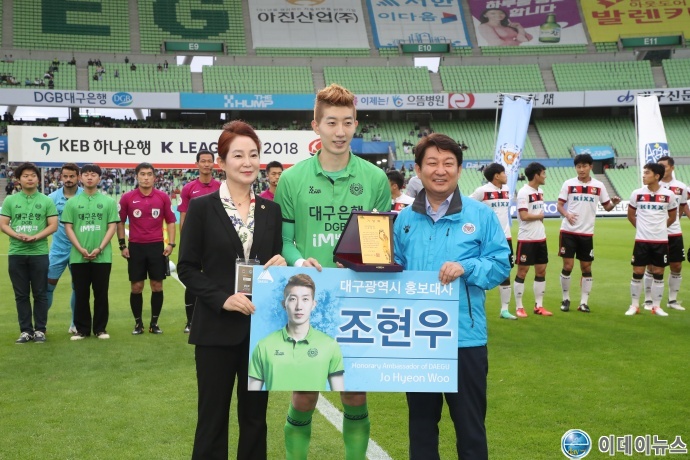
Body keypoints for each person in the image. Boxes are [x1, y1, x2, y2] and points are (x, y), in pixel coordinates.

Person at [274, 83, 390, 460]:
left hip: (357, 301)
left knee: (354, 392)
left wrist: (364, 261)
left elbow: (380, 242)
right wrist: (298, 262)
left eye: (347, 122)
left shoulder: (374, 179)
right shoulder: (292, 179)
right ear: (316, 126)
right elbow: (284, 240)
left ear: (356, 124)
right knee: (304, 394)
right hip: (308, 301)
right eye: (331, 122)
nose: (340, 131)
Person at [393, 134, 510, 460]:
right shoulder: (404, 220)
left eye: (448, 163)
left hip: (465, 339)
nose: (440, 170)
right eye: (431, 163)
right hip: (418, 339)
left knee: (470, 429)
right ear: (418, 169)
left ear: (459, 169)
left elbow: (501, 264)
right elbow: (394, 270)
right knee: (421, 427)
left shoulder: (480, 215)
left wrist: (466, 267)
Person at [178, 120, 286, 460]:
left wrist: (281, 265)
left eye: (253, 154)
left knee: (255, 419)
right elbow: (186, 268)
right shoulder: (202, 208)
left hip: (259, 330)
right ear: (221, 162)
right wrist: (222, 298)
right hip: (215, 328)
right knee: (212, 419)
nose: (247, 162)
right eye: (238, 155)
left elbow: (272, 264)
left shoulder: (271, 211)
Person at [248, 273, 344, 391]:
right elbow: (252, 395)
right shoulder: (264, 346)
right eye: (293, 299)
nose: (299, 306)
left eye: (305, 299)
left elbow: (339, 392)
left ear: (313, 304)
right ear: (284, 304)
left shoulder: (330, 345)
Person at [0, 163, 58, 343]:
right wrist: (17, 235)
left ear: (38, 179)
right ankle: (26, 331)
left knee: (40, 293)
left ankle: (40, 330)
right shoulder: (10, 200)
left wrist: (36, 237)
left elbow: (53, 225)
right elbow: (3, 224)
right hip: (16, 253)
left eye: (33, 175)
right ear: (18, 179)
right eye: (25, 176)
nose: (30, 178)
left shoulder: (46, 200)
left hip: (39, 253)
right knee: (21, 294)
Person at [556, 154, 621, 313]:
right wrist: (567, 214)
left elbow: (607, 207)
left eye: (584, 166)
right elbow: (559, 205)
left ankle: (584, 302)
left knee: (586, 267)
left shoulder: (599, 186)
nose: (581, 169)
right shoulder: (568, 184)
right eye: (578, 166)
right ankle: (565, 299)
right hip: (568, 231)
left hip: (586, 233)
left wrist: (614, 203)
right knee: (568, 266)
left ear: (590, 167)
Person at [117, 162, 177, 335]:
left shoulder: (162, 197)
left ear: (154, 177)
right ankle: (138, 324)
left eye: (149, 174)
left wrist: (171, 244)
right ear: (137, 176)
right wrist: (122, 245)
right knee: (136, 287)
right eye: (142, 174)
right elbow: (120, 222)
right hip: (135, 247)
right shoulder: (127, 198)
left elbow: (171, 221)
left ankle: (154, 323)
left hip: (156, 247)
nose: (145, 178)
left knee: (157, 286)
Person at [62, 164, 119, 340]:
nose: (89, 177)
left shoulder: (108, 202)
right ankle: (82, 329)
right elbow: (68, 227)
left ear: (99, 178)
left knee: (101, 294)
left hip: (102, 257)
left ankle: (100, 329)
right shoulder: (72, 202)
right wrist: (80, 248)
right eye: (86, 174)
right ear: (80, 178)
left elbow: (112, 227)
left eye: (93, 174)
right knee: (81, 293)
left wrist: (100, 248)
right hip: (78, 256)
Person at [178, 149, 221, 333]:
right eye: (202, 161)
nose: (206, 164)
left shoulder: (221, 186)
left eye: (209, 161)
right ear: (197, 164)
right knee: (193, 281)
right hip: (196, 242)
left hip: (215, 243)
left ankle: (215, 318)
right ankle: (190, 321)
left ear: (214, 163)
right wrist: (186, 240)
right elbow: (183, 217)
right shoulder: (189, 188)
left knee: (216, 279)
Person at [626, 163, 677, 316]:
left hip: (660, 241)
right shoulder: (637, 194)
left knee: (659, 272)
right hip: (641, 240)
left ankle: (656, 306)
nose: (644, 175)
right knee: (637, 271)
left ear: (657, 176)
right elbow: (630, 215)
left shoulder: (669, 195)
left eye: (647, 173)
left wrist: (660, 229)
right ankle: (634, 305)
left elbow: (673, 216)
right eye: (644, 172)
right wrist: (641, 229)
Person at [470, 163, 516, 320]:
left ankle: (504, 310)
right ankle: (476, 307)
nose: (506, 175)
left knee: (505, 272)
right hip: (487, 239)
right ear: (496, 175)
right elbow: (468, 206)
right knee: (481, 272)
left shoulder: (507, 190)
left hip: (506, 238)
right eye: (504, 173)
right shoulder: (482, 191)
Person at [641, 156, 687, 312]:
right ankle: (648, 299)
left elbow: (681, 206)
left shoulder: (681, 187)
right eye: (659, 165)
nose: (661, 168)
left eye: (664, 166)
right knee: (651, 266)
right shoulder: (651, 185)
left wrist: (673, 221)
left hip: (674, 232)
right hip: (654, 234)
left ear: (672, 168)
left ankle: (672, 300)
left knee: (676, 265)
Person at [47, 163, 83, 334]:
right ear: (60, 177)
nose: (68, 179)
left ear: (78, 177)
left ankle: (75, 323)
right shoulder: (52, 198)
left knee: (78, 287)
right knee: (48, 285)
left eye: (72, 176)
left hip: (79, 249)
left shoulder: (85, 196)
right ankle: (41, 325)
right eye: (65, 176)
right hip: (58, 249)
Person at [514, 162, 551, 317]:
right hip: (527, 239)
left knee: (541, 271)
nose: (545, 176)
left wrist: (540, 222)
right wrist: (539, 216)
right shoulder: (523, 192)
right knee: (522, 272)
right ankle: (519, 307)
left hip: (540, 238)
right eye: (543, 173)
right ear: (536, 175)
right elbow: (524, 216)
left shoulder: (540, 191)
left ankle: (539, 306)